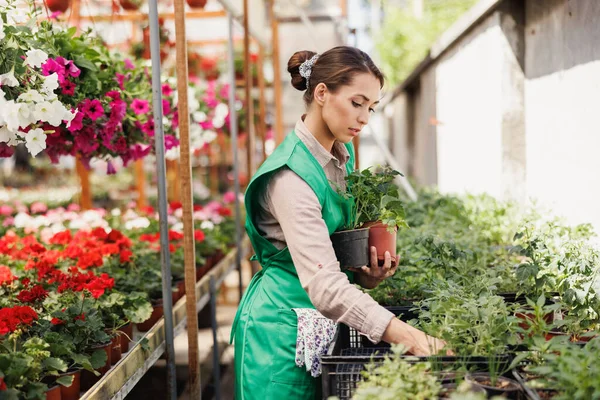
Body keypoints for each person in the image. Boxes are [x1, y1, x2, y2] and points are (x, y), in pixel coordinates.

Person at [230, 46, 446, 400]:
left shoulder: (340, 157)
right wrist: (410, 337)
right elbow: (325, 285)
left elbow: (332, 248)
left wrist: (365, 274)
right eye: (357, 102)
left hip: (320, 324)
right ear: (321, 93)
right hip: (281, 334)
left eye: (371, 108)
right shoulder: (290, 178)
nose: (364, 118)